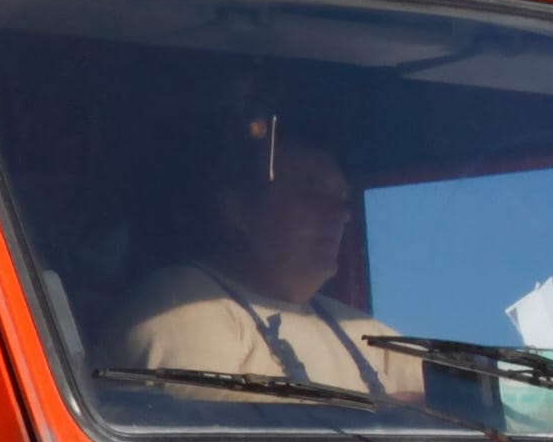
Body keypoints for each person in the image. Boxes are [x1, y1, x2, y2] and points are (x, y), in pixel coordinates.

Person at [102, 100, 423, 398]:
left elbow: (459, 401)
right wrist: (392, 416)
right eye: (312, 192)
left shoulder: (360, 332)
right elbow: (218, 435)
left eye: (340, 198)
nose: (341, 213)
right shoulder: (179, 306)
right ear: (238, 210)